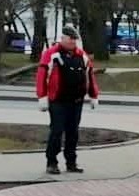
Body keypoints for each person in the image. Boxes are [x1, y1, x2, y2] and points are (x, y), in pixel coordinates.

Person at [35, 25, 99, 175]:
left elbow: (89, 76)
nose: (72, 42)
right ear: (62, 38)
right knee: (56, 131)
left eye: (74, 40)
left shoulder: (81, 55)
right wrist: (42, 97)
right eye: (69, 39)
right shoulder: (51, 54)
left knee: (73, 133)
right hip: (57, 100)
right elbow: (41, 76)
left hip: (76, 101)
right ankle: (51, 162)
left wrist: (93, 95)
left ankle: (71, 162)